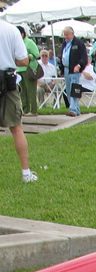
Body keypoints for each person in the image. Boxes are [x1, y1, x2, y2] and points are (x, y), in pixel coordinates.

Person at [0, 19, 37, 182]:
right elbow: (23, 60)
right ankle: (26, 173)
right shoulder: (11, 30)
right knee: (16, 128)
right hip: (7, 82)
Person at [60, 25, 88, 117]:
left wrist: (79, 65)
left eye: (67, 34)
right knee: (68, 90)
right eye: (64, 35)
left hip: (75, 69)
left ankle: (72, 110)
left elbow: (84, 57)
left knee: (74, 89)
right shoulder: (64, 44)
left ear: (72, 34)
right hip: (66, 69)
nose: (66, 37)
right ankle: (76, 110)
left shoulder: (78, 43)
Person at [16, 27, 40, 115]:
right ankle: (25, 110)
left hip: (29, 69)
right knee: (22, 91)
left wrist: (29, 56)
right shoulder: (16, 43)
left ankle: (33, 110)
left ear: (22, 34)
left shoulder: (29, 42)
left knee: (31, 90)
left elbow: (37, 54)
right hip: (18, 69)